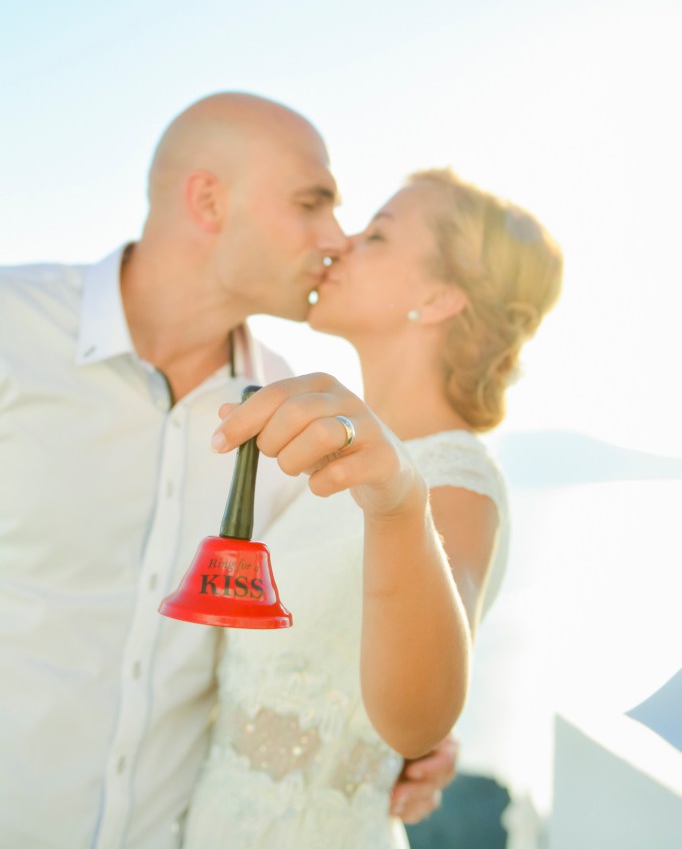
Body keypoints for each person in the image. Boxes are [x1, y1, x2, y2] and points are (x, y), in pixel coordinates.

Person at [0, 94, 454, 849]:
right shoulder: (12, 330)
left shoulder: (297, 423)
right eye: (313, 202)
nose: (338, 238)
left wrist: (404, 740)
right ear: (208, 199)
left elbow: (296, 640)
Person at [183, 168, 563, 847]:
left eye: (379, 233)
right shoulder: (324, 456)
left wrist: (397, 503)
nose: (343, 243)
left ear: (440, 296)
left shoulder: (452, 480)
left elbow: (419, 714)